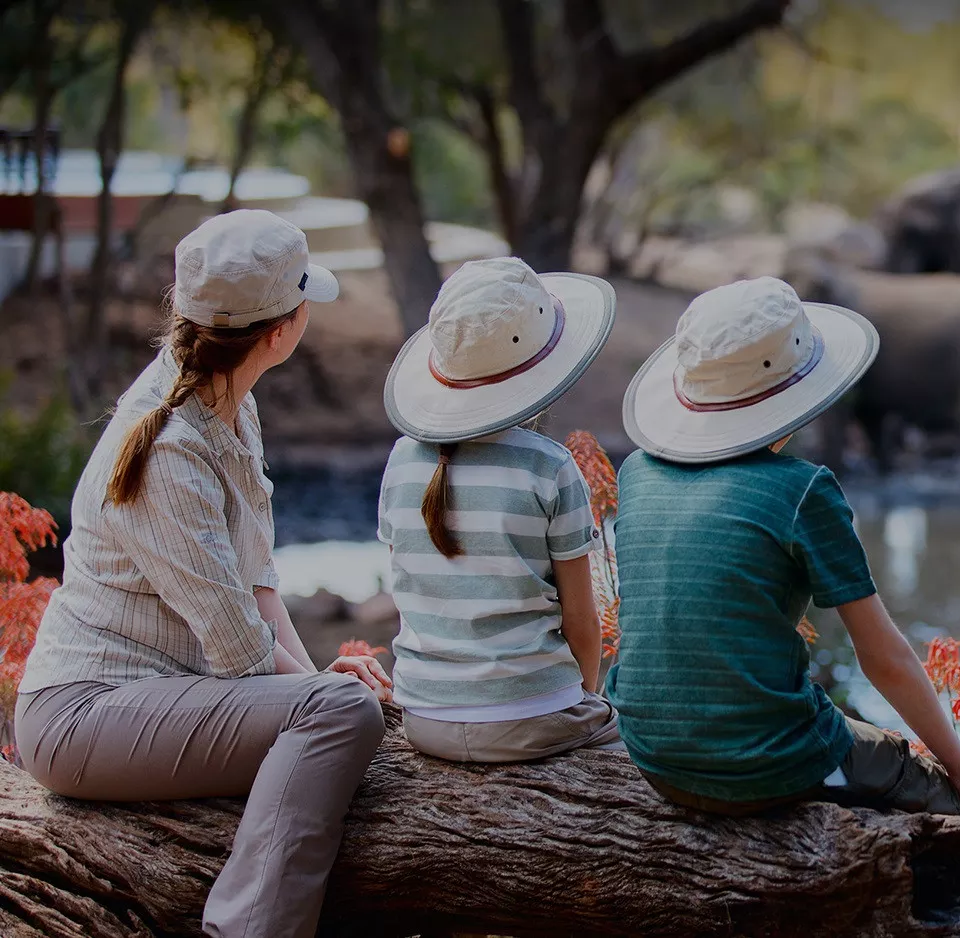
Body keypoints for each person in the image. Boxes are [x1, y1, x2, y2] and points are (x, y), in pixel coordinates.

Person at [11, 209, 391, 938]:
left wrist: (312, 682)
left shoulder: (226, 408)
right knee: (343, 712)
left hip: (155, 699)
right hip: (85, 715)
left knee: (335, 705)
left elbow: (256, 585)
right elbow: (240, 653)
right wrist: (316, 698)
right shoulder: (170, 448)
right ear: (281, 332)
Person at [608, 276, 960, 817]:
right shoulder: (802, 488)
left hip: (654, 757)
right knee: (940, 795)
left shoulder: (635, 473)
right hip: (765, 767)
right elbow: (884, 659)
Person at [375, 256, 622, 763]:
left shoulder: (401, 458)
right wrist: (585, 697)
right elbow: (581, 617)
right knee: (632, 734)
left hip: (423, 718)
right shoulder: (549, 467)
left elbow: (416, 591)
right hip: (531, 717)